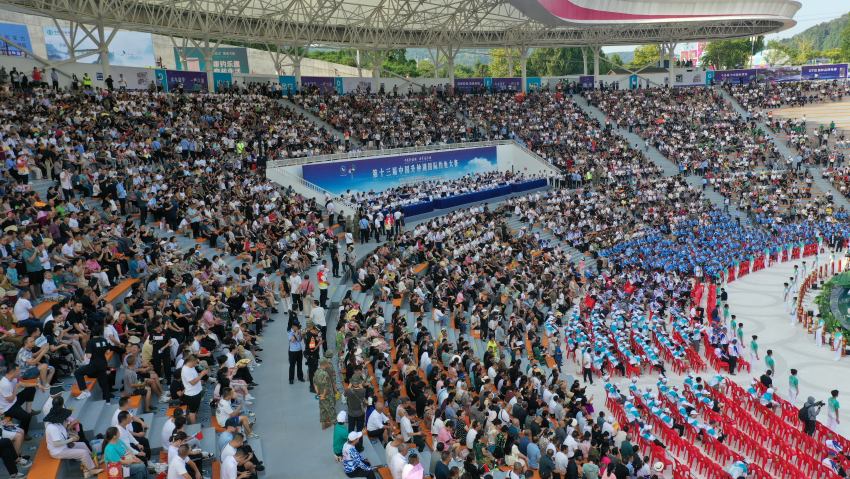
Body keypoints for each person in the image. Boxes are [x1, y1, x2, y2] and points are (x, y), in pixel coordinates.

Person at [44, 402, 102, 478]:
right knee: (83, 453)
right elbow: (56, 444)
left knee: (83, 444)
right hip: (58, 451)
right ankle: (91, 470)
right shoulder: (52, 428)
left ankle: (91, 460)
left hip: (64, 446)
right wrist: (71, 439)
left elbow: (63, 435)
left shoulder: (58, 424)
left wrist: (71, 435)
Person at [73, 331, 112, 402]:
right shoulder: (104, 340)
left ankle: (85, 391)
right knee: (104, 382)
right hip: (103, 364)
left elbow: (89, 356)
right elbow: (108, 352)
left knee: (78, 372)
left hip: (94, 365)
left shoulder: (90, 342)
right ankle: (107, 401)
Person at [180, 355, 207, 424]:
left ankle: (191, 419)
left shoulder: (191, 367)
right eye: (195, 362)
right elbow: (192, 382)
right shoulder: (185, 370)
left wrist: (199, 378)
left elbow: (194, 376)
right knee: (192, 412)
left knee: (194, 410)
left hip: (196, 392)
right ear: (191, 361)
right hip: (192, 395)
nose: (196, 364)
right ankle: (193, 426)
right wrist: (201, 375)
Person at [314, 352, 337, 429]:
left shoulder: (317, 372)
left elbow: (315, 383)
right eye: (327, 363)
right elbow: (326, 386)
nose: (328, 364)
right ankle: (335, 423)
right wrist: (324, 395)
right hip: (327, 394)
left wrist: (318, 393)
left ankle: (324, 425)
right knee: (331, 408)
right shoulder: (325, 374)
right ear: (324, 364)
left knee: (322, 409)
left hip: (320, 394)